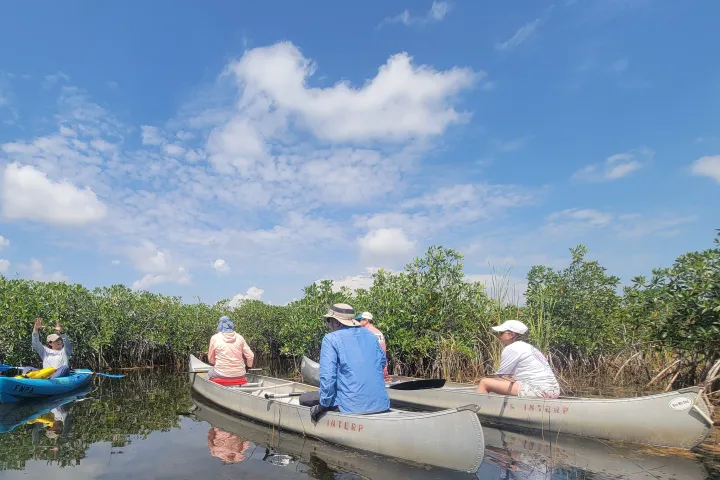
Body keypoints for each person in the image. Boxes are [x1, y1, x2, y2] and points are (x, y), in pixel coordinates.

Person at [300, 303, 390, 423]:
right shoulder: (370, 335)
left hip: (350, 407)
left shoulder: (330, 339)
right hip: (382, 404)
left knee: (304, 398)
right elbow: (382, 363)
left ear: (336, 322)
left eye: (328, 320)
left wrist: (322, 406)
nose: (328, 325)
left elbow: (328, 377)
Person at [476, 320, 560, 398]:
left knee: (484, 383)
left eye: (501, 333)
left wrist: (485, 378)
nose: (498, 336)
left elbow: (500, 377)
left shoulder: (511, 348)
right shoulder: (530, 347)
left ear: (511, 335)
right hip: (554, 390)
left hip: (538, 390)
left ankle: (479, 411)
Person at [207, 316, 255, 380]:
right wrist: (248, 367)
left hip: (220, 373)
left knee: (208, 373)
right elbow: (251, 356)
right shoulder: (240, 337)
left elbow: (211, 360)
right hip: (240, 374)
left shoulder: (214, 338)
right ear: (231, 324)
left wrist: (214, 364)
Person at [356, 311, 389, 379]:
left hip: (371, 370)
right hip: (382, 368)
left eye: (359, 320)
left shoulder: (365, 333)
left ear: (366, 320)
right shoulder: (379, 332)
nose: (358, 323)